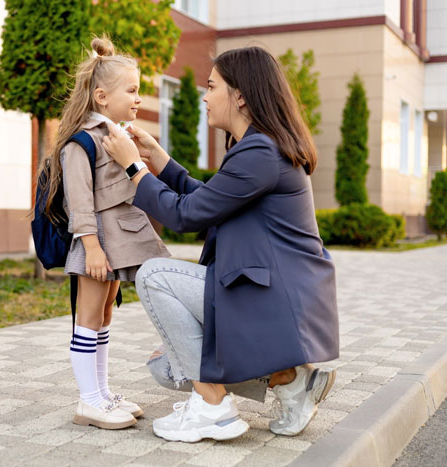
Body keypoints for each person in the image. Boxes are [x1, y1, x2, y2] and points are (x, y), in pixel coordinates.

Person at [102, 46, 339, 442]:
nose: (205, 96)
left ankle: (213, 408)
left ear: (240, 95)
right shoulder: (260, 148)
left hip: (274, 303)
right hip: (270, 298)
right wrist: (160, 160)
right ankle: (289, 381)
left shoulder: (260, 152)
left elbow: (185, 215)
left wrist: (133, 167)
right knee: (166, 367)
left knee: (154, 275)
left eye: (212, 86)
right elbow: (208, 202)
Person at [37, 37, 170, 430]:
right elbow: (80, 202)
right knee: (88, 317)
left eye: (138, 90)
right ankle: (88, 401)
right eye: (131, 90)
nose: (138, 99)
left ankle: (103, 392)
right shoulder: (82, 142)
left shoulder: (116, 134)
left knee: (106, 313)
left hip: (118, 240)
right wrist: (92, 248)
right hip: (96, 244)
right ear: (101, 96)